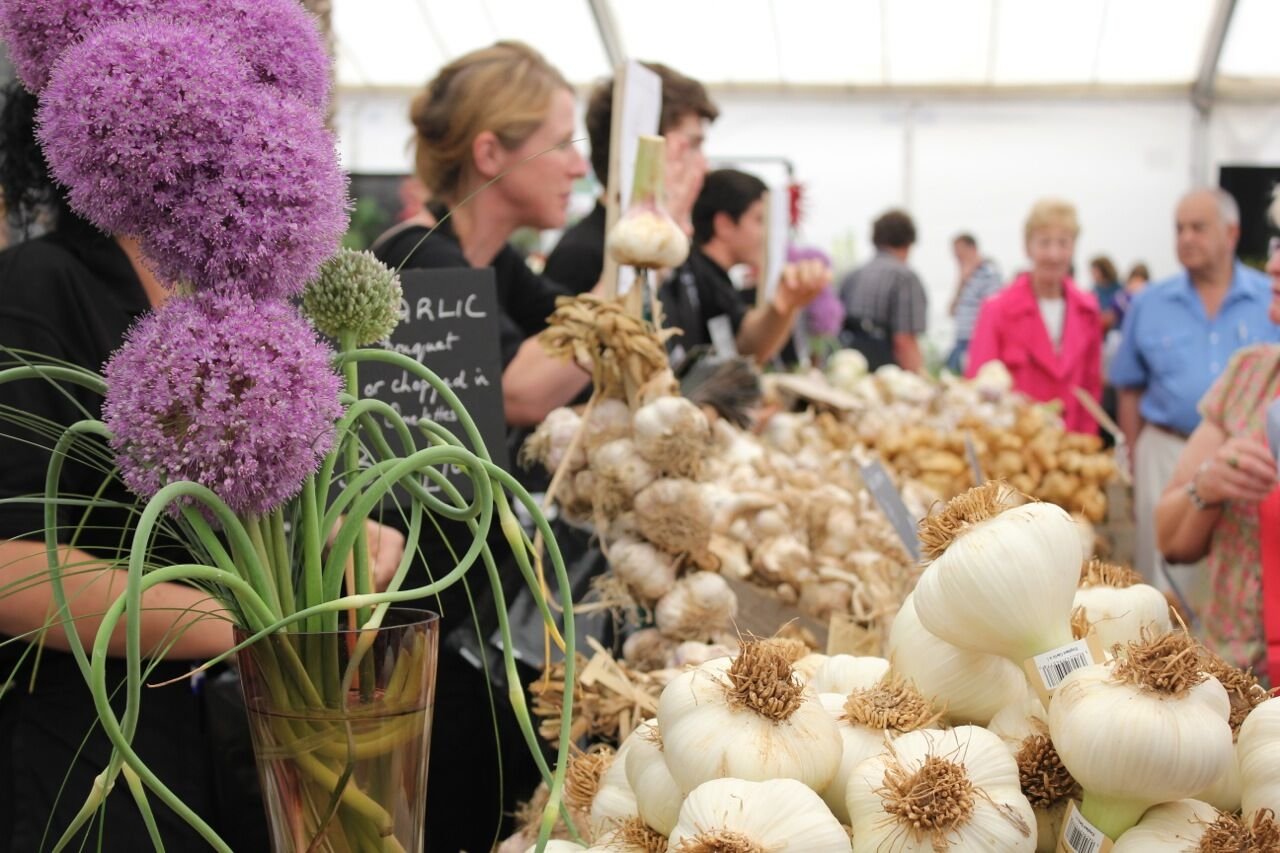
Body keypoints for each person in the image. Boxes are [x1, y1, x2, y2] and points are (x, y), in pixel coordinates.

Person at [0, 82, 403, 851]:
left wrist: (339, 536)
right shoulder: (36, 284)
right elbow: (12, 569)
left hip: (232, 745)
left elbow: (261, 503)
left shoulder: (242, 295)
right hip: (92, 755)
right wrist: (264, 624)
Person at [371, 41, 598, 852]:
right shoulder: (414, 257)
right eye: (562, 142)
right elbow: (523, 388)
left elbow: (571, 339)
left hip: (471, 611)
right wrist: (631, 262)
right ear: (491, 151)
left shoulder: (490, 258)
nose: (579, 167)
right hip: (416, 623)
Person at [1111, 188, 1279, 593]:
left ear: (1232, 233)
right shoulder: (1149, 303)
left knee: (1238, 563)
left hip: (1253, 462)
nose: (1186, 238)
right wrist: (1131, 459)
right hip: (1166, 447)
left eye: (1198, 228)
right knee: (1162, 577)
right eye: (1179, 228)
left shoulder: (1265, 294)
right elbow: (1129, 389)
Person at [1154, 226, 1280, 681]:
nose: (1273, 265)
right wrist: (1206, 487)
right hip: (1236, 672)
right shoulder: (1251, 374)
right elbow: (1170, 540)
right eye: (1277, 245)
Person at [542, 62, 719, 293]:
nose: (704, 165)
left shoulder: (672, 243)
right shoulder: (581, 255)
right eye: (693, 145)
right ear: (645, 151)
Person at [662, 168, 829, 364]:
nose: (767, 234)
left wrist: (785, 305)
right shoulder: (691, 276)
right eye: (760, 220)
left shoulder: (711, 278)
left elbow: (744, 346)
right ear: (724, 224)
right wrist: (782, 306)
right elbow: (745, 349)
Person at [966, 199, 1103, 435]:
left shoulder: (1088, 310)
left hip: (1071, 445)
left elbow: (1091, 389)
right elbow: (978, 390)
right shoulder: (997, 310)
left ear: (1073, 248)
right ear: (1028, 247)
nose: (1053, 254)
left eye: (1063, 243)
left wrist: (1085, 444)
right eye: (1044, 242)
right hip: (1015, 446)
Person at [838, 210, 928, 372]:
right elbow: (904, 340)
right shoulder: (904, 278)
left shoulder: (852, 276)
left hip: (848, 367)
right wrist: (919, 378)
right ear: (908, 243)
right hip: (885, 374)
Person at [946, 232, 1002, 374]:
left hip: (976, 340)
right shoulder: (965, 279)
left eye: (960, 254)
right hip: (961, 339)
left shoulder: (988, 273)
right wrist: (961, 282)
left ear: (973, 250)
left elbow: (994, 310)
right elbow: (951, 311)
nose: (958, 259)